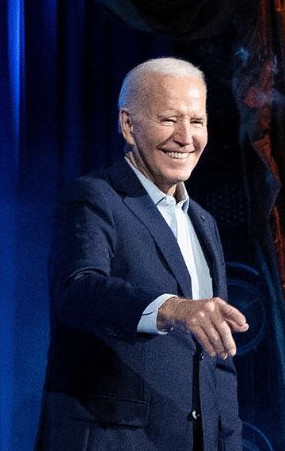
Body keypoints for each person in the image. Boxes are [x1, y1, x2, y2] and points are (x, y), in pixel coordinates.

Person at [37, 57, 249, 451]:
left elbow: (219, 359)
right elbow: (77, 291)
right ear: (128, 125)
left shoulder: (203, 222)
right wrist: (171, 308)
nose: (186, 137)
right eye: (170, 119)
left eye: (197, 121)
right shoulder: (95, 197)